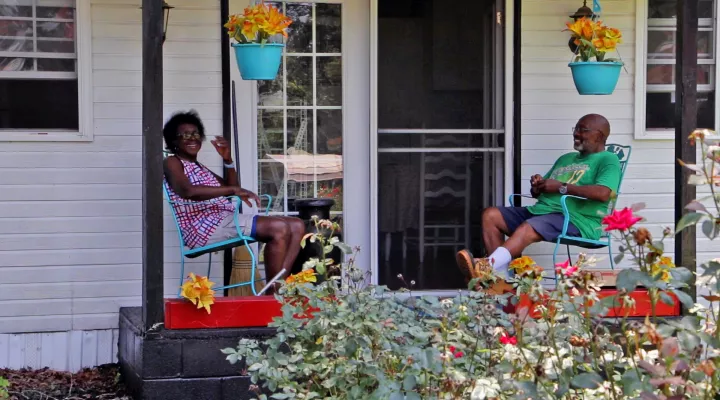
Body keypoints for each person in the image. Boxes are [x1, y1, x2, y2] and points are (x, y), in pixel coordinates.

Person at [456, 114, 622, 286]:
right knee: (491, 215)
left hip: (576, 219)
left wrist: (561, 187)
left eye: (583, 130)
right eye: (576, 129)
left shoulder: (608, 159)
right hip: (542, 212)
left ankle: (488, 266)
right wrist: (538, 186)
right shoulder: (565, 159)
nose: (576, 133)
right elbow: (546, 189)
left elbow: (604, 193)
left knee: (530, 226)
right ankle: (500, 280)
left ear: (600, 135)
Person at [163, 110, 305, 287]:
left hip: (224, 220)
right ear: (173, 140)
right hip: (202, 228)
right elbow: (188, 191)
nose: (192, 138)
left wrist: (228, 160)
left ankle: (279, 287)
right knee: (278, 228)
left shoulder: (199, 167)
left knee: (297, 225)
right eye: (184, 134)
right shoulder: (172, 162)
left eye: (195, 133)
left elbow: (229, 189)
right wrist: (234, 189)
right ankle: (274, 294)